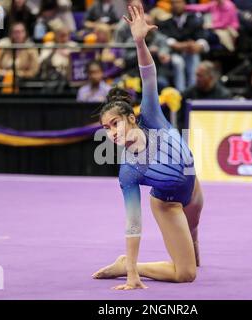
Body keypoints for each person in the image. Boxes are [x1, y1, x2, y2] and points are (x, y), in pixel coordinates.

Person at [92, 4, 203, 289]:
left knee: (193, 230)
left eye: (115, 123)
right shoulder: (129, 170)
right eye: (106, 129)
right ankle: (127, 264)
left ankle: (191, 239)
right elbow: (133, 223)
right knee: (186, 274)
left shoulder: (151, 116)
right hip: (168, 203)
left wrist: (139, 41)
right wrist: (131, 272)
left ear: (131, 118)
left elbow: (148, 74)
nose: (111, 132)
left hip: (194, 184)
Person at [158, 0, 210, 92]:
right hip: (173, 54)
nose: (176, 5)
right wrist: (180, 45)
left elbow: (202, 39)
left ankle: (193, 91)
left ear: (184, 4)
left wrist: (198, 45)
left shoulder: (195, 20)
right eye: (173, 3)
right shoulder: (165, 23)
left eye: (178, 2)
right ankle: (180, 93)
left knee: (193, 57)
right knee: (178, 62)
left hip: (191, 52)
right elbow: (166, 40)